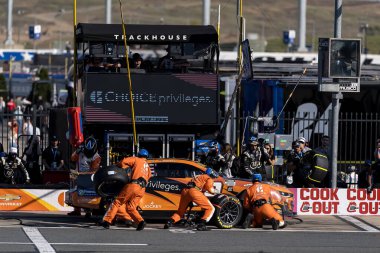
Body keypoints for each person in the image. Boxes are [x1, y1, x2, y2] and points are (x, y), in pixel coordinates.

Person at [99, 149, 152, 231]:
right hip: (142, 189)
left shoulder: (136, 159)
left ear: (138, 155)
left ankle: (107, 221)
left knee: (117, 202)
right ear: (146, 157)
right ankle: (141, 222)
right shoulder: (147, 166)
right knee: (131, 207)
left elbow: (123, 162)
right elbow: (149, 177)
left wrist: (118, 166)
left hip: (134, 185)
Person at [68, 136, 101, 216]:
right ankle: (76, 209)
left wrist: (81, 174)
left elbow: (93, 170)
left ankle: (88, 210)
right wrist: (76, 152)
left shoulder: (97, 157)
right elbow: (72, 159)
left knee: (89, 192)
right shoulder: (80, 152)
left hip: (89, 177)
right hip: (78, 174)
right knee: (75, 190)